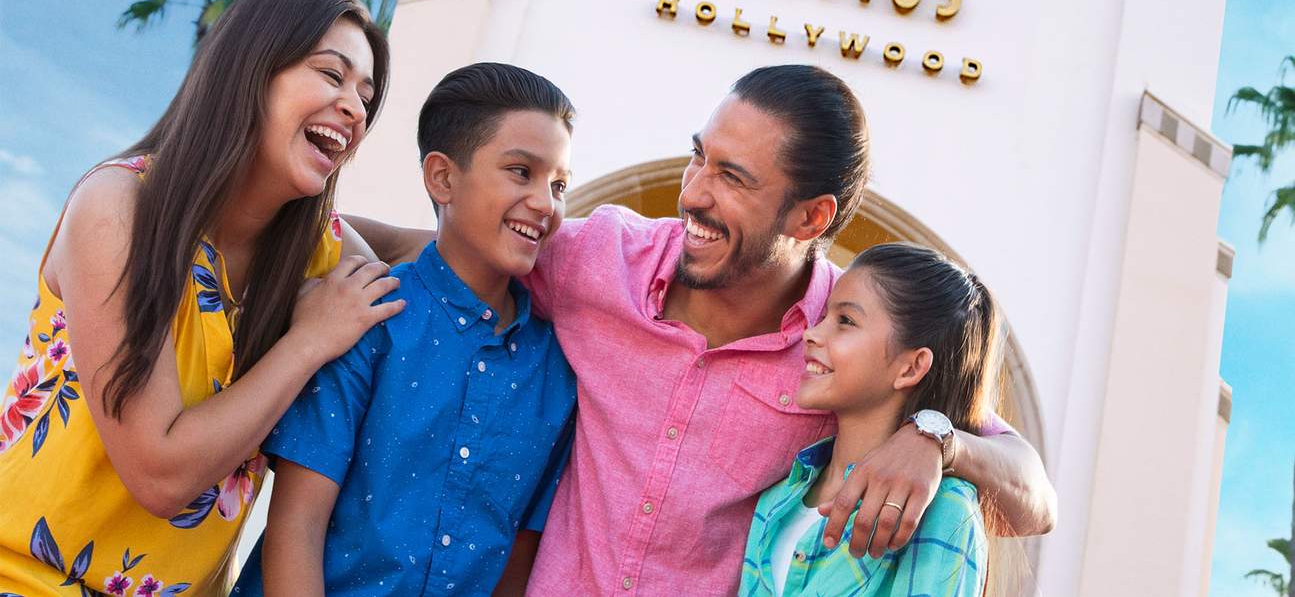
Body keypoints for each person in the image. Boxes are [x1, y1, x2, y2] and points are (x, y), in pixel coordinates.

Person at [352, 63, 1057, 595]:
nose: (693, 193)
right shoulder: (597, 260)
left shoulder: (837, 347)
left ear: (810, 218)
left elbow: (1034, 500)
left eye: (732, 177)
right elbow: (439, 250)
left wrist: (939, 441)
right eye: (698, 157)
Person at [0, 0, 406, 595]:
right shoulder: (119, 208)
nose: (355, 109)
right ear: (250, 70)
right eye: (331, 74)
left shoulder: (314, 248)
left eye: (366, 96)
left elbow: (449, 258)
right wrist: (308, 341)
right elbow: (159, 474)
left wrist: (565, 231)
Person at [235, 63, 578, 597]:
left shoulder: (557, 371)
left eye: (559, 184)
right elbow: (295, 528)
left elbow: (517, 564)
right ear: (443, 178)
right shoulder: (366, 314)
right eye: (520, 171)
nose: (545, 203)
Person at [741, 243, 1001, 596]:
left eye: (845, 321)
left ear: (911, 367)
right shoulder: (778, 499)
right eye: (824, 317)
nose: (812, 334)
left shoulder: (943, 508)